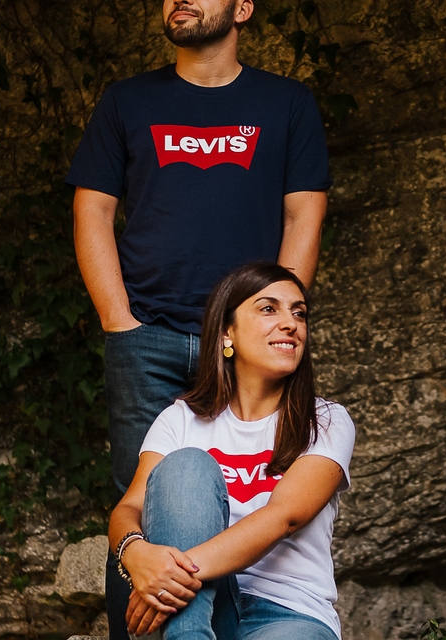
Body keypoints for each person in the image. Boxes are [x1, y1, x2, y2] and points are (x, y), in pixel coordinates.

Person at [65, 0, 331, 635]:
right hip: (147, 337)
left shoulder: (285, 103)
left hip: (244, 343)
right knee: (142, 511)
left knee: (256, 495)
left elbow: (304, 213)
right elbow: (91, 210)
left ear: (241, 9)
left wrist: (275, 318)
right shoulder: (129, 101)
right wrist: (118, 321)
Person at [108, 262, 355, 640]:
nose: (291, 323)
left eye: (299, 312)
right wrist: (135, 554)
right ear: (228, 332)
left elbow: (283, 517)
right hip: (201, 606)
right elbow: (129, 508)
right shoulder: (181, 420)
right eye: (269, 308)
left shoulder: (324, 420)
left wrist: (168, 575)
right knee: (187, 466)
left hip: (288, 614)